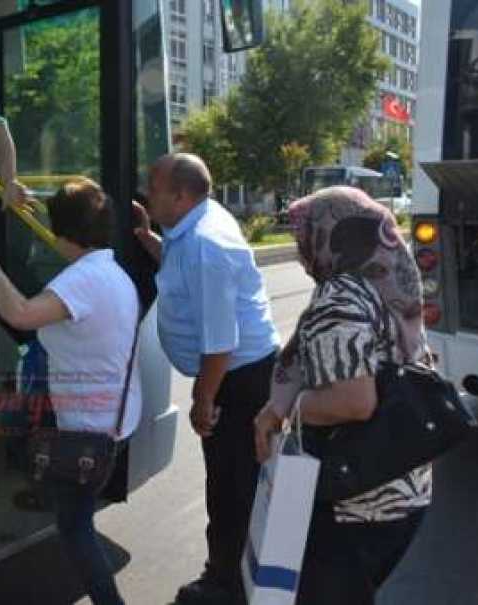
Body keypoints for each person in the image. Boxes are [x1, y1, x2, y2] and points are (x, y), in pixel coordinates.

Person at [253, 186, 431, 605]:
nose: (300, 247)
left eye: (304, 233)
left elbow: (353, 402)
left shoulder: (342, 296)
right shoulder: (383, 280)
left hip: (360, 498)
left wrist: (287, 411)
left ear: (332, 235)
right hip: (402, 482)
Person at [0, 178, 141, 605]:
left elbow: (18, 313)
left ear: (62, 230)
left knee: (76, 532)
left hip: (87, 430)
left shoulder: (83, 280)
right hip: (112, 418)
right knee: (14, 420)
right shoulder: (110, 271)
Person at [133, 153, 280, 605]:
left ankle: (227, 586)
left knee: (231, 487)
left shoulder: (204, 245)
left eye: (153, 187)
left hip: (237, 379)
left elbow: (220, 343)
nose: (146, 191)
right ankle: (232, 573)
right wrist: (146, 236)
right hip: (236, 375)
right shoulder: (192, 227)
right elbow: (179, 269)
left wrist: (203, 400)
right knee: (232, 482)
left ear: (181, 195)